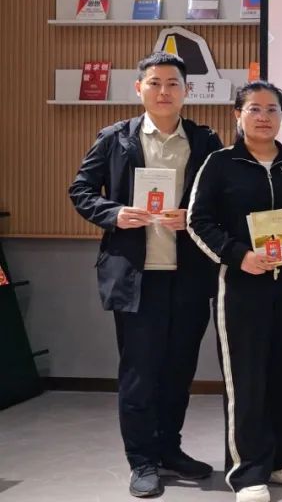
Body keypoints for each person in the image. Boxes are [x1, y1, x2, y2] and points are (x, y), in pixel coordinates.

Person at [68, 52, 222, 498]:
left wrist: (191, 217)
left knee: (178, 370)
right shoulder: (115, 138)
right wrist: (115, 214)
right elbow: (80, 190)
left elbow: (222, 199)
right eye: (154, 83)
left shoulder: (205, 141)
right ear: (139, 89)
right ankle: (142, 461)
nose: (163, 91)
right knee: (140, 373)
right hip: (137, 277)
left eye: (173, 84)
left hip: (189, 275)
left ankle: (169, 449)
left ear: (187, 91)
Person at [187, 81, 282, 502]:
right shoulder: (220, 163)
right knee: (246, 379)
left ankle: (279, 458)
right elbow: (197, 221)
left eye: (272, 109)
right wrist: (238, 255)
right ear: (238, 115)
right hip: (241, 287)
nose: (264, 117)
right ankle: (246, 471)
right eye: (254, 109)